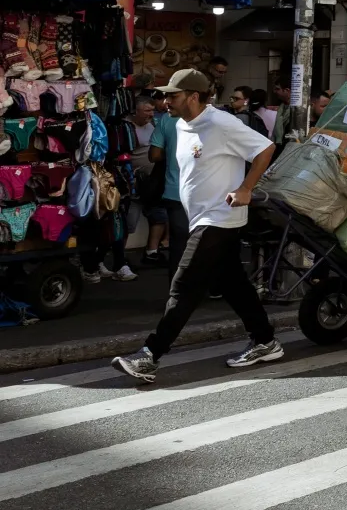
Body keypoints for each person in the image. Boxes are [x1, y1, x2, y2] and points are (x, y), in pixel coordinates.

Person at [112, 69, 283, 383]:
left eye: (173, 95)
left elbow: (265, 149)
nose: (166, 101)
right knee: (234, 284)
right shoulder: (179, 124)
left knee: (184, 285)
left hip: (219, 218)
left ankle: (150, 356)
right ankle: (265, 340)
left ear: (193, 96)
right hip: (200, 218)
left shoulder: (222, 123)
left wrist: (246, 188)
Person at [143, 92, 189, 268]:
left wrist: (171, 151)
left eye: (172, 97)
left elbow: (154, 155)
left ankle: (178, 292)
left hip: (175, 191)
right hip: (201, 194)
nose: (166, 102)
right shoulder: (217, 119)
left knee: (179, 247)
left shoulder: (167, 120)